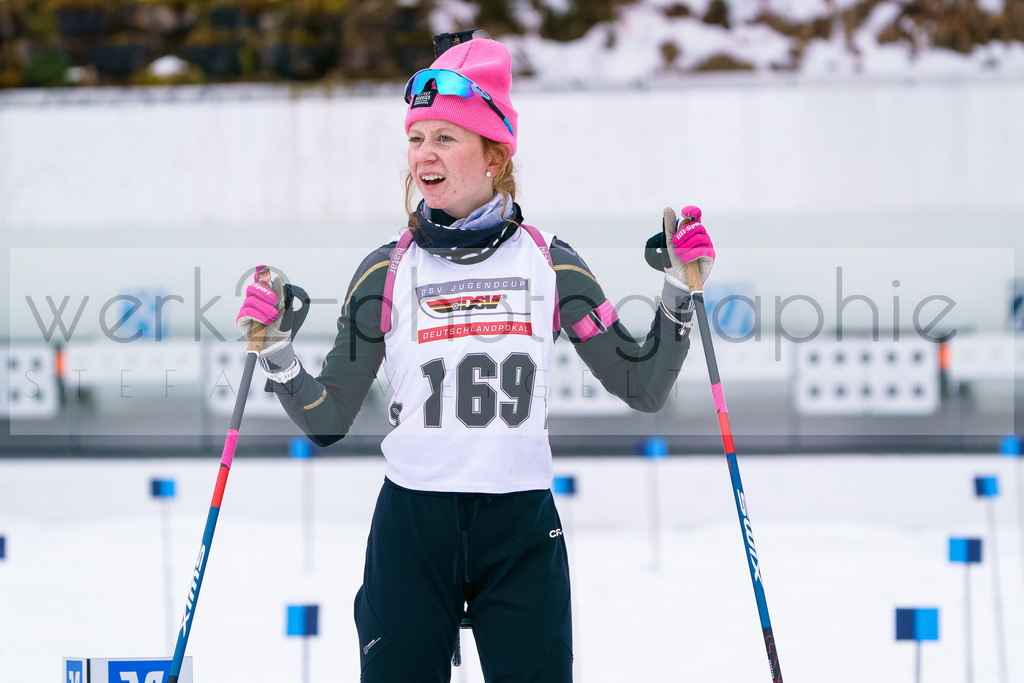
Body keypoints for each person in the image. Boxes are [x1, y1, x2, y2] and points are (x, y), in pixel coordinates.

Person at [236, 35, 715, 683]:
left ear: (494, 155)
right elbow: (329, 417)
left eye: (446, 138)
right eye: (416, 138)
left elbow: (642, 383)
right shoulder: (387, 269)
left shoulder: (550, 261)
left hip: (518, 529)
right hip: (413, 528)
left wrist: (678, 291)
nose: (423, 155)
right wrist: (280, 355)